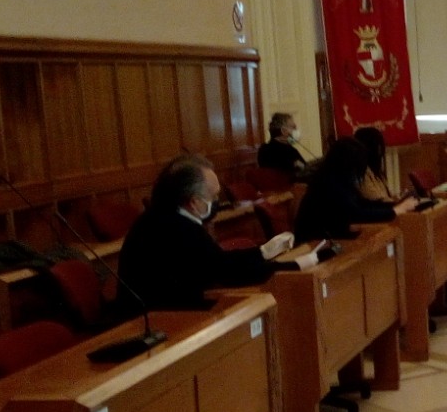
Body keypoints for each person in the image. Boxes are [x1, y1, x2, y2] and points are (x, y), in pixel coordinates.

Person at [118, 156, 314, 312]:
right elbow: (224, 272)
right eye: (213, 196)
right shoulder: (174, 228)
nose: (217, 201)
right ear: (194, 201)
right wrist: (295, 265)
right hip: (163, 317)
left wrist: (263, 252)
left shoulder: (165, 216)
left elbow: (217, 261)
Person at [294, 133, 418, 242]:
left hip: (331, 238)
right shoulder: (328, 183)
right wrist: (395, 211)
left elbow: (361, 204)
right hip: (317, 243)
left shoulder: (337, 178)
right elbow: (355, 214)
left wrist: (394, 206)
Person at [257, 112, 306, 178]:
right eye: (293, 127)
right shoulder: (289, 151)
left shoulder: (263, 149)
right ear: (283, 131)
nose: (296, 130)